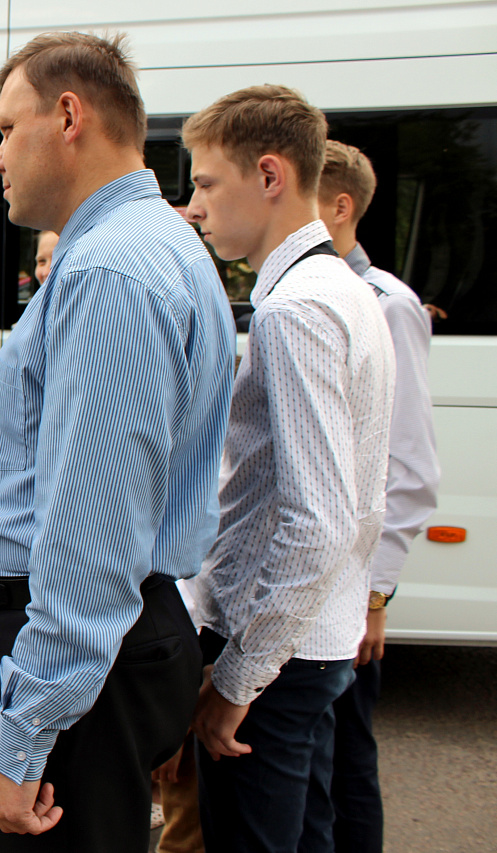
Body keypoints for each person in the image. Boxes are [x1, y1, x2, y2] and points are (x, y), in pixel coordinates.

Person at [0, 32, 235, 851]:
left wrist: (24, 732)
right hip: (99, 650)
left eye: (5, 128)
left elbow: (91, 538)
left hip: (75, 661)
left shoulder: (112, 267)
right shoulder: (147, 246)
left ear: (68, 114)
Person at [182, 86, 396, 853]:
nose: (195, 205)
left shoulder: (295, 308)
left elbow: (319, 518)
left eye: (205, 182)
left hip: (275, 651)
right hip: (311, 638)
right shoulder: (343, 288)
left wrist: (238, 679)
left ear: (268, 175)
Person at [318, 139, 440, 853]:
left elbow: (410, 463)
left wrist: (374, 596)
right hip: (308, 586)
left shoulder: (384, 304)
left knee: (344, 763)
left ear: (339, 207)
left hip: (345, 587)